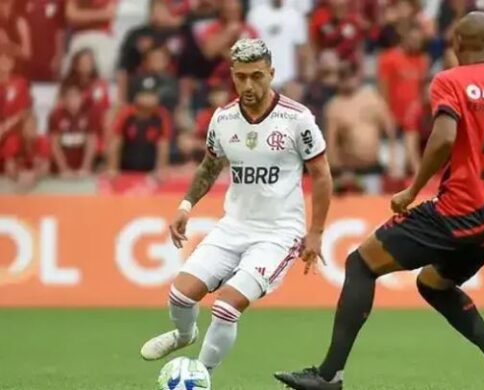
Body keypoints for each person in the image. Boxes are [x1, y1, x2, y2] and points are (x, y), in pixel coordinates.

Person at [275, 12, 484, 390]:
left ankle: (330, 375)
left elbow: (445, 138)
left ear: (457, 45)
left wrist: (412, 190)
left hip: (455, 213)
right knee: (434, 284)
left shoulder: (451, 80)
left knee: (360, 263)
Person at [139, 39, 333, 378]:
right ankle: (185, 336)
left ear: (271, 74)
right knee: (180, 296)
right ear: (232, 74)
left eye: (257, 76)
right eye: (240, 77)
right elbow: (209, 166)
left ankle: (201, 374)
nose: (248, 85)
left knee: (226, 306)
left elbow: (321, 175)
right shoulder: (224, 118)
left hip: (278, 234)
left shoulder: (297, 119)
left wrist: (315, 232)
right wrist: (186, 205)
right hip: (233, 227)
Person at [325, 63, 398, 194]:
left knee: (374, 209)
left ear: (357, 76)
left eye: (350, 75)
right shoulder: (334, 106)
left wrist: (392, 160)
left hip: (374, 168)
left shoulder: (372, 97)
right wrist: (338, 172)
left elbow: (390, 130)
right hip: (348, 172)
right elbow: (331, 145)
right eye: (343, 76)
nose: (347, 80)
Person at [116, 0, 182, 105]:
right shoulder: (136, 35)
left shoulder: (178, 34)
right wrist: (121, 100)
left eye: (161, 9)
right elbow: (123, 68)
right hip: (140, 85)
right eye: (155, 9)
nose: (158, 13)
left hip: (170, 85)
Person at [107, 76, 171, 177]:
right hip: (126, 170)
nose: (149, 99)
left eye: (152, 94)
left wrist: (160, 170)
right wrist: (112, 169)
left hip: (150, 172)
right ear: (136, 96)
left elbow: (163, 145)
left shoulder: (162, 115)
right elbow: (116, 142)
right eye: (145, 94)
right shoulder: (126, 114)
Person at [377, 24, 429, 132]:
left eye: (419, 40)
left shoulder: (421, 60)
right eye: (413, 39)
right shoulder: (388, 58)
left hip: (414, 119)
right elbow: (382, 90)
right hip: (394, 118)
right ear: (405, 38)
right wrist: (386, 116)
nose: (416, 43)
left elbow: (422, 89)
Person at [48, 83, 100, 177]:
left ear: (81, 97)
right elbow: (55, 145)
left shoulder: (88, 115)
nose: (73, 99)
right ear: (64, 99)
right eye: (70, 95)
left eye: (76, 95)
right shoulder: (55, 115)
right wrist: (64, 169)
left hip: (82, 170)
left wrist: (85, 168)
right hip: (60, 171)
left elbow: (91, 143)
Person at [2, 114, 50, 193]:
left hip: (36, 182)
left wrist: (33, 176)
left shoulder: (43, 141)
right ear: (22, 128)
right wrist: (20, 176)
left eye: (34, 126)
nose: (31, 129)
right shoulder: (12, 141)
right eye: (28, 126)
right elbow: (8, 167)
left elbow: (45, 168)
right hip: (14, 182)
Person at [24, 0, 66, 81]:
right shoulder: (23, 2)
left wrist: (58, 56)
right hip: (29, 58)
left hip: (49, 57)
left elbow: (61, 30)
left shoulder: (59, 2)